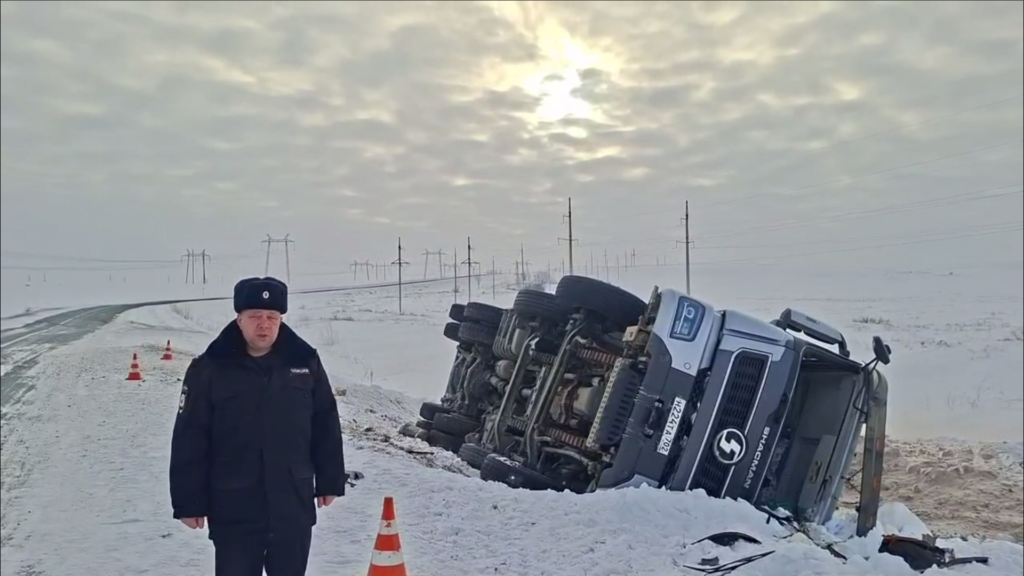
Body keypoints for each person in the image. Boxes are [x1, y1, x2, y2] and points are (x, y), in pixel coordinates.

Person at [169, 276, 347, 576]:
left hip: (292, 503)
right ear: (239, 319)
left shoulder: (304, 361)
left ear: (280, 320)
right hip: (233, 504)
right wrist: (189, 501)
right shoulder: (211, 367)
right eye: (255, 316)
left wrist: (330, 480)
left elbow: (325, 421)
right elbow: (190, 435)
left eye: (272, 317)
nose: (264, 324)